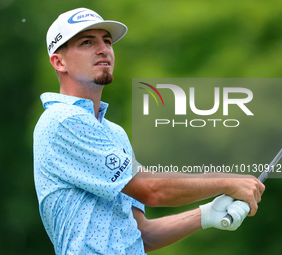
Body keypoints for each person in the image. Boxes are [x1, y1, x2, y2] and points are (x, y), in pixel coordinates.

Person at [33, 7, 265, 254]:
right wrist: (225, 181)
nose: (103, 49)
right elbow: (151, 190)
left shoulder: (113, 133)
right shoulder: (62, 121)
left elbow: (142, 234)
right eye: (87, 42)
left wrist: (206, 215)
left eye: (107, 41)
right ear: (59, 62)